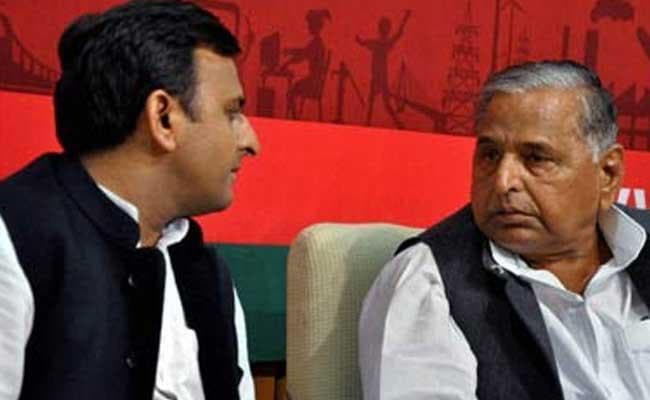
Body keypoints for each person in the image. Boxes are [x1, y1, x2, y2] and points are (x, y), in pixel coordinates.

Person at [0, 1, 260, 399]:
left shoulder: (205, 274)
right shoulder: (14, 240)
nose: (251, 142)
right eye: (231, 113)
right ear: (163, 118)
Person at [359, 60, 650, 400]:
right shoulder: (431, 281)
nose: (503, 181)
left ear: (608, 175)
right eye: (490, 155)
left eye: (536, 158)